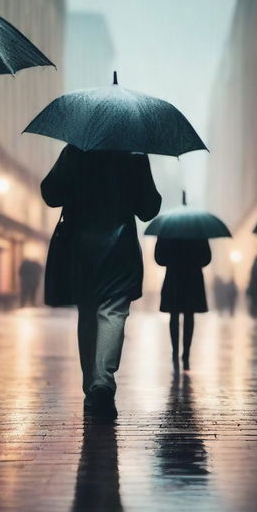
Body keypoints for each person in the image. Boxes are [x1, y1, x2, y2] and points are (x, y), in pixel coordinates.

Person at [41, 145, 161, 420]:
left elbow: (50, 193)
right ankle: (102, 384)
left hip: (80, 247)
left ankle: (91, 388)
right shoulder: (136, 156)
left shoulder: (75, 151)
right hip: (120, 246)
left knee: (87, 313)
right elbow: (148, 208)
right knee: (113, 312)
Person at [154, 238, 211, 369]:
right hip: (193, 277)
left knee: (174, 315)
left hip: (174, 277)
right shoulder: (198, 231)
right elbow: (206, 258)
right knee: (189, 315)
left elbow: (159, 259)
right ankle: (186, 353)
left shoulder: (167, 230)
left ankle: (175, 351)